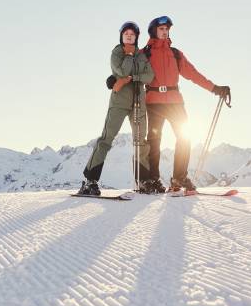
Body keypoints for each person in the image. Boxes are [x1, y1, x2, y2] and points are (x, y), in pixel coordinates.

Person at [144, 15, 231, 193]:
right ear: (154, 31)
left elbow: (193, 74)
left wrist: (215, 88)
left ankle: (179, 178)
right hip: (153, 102)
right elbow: (132, 73)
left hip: (175, 102)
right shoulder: (145, 54)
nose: (164, 31)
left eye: (167, 29)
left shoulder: (175, 54)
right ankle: (153, 180)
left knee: (184, 138)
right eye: (161, 29)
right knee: (154, 142)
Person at [79, 21, 155, 195]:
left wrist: (133, 77)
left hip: (138, 101)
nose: (129, 36)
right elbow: (120, 73)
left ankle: (142, 181)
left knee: (140, 140)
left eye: (132, 34)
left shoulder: (142, 55)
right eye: (126, 33)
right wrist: (128, 57)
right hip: (119, 102)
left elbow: (149, 76)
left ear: (136, 37)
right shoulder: (117, 52)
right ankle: (90, 181)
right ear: (121, 36)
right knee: (107, 138)